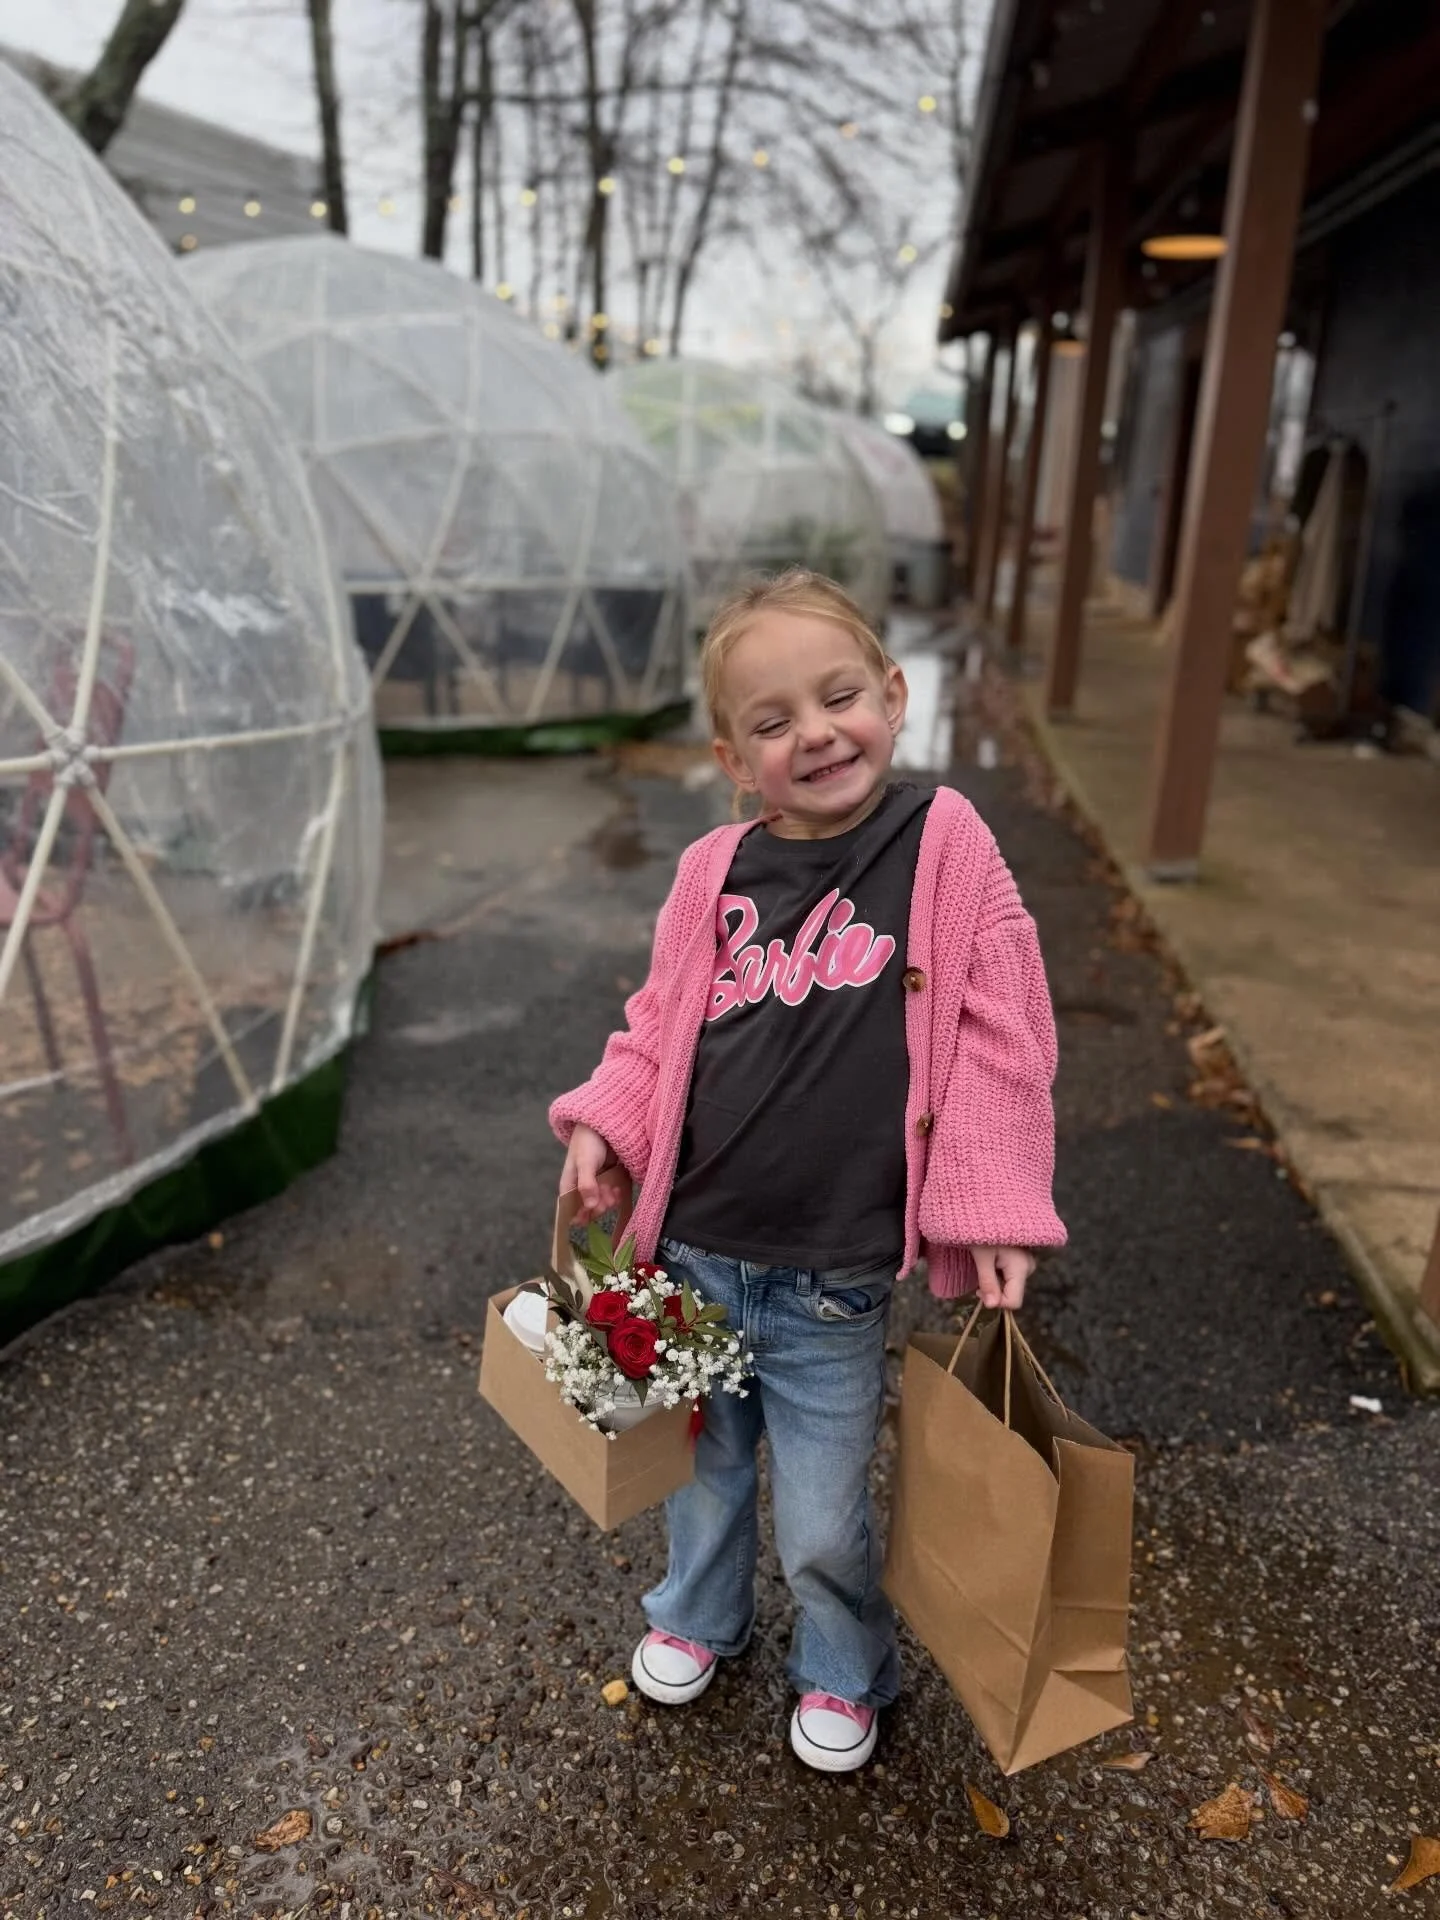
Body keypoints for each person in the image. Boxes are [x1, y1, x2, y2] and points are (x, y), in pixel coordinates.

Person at [549, 568, 1065, 1773]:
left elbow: (1000, 1028)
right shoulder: (710, 873)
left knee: (825, 1510)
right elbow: (660, 1021)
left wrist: (993, 1204)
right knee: (705, 1468)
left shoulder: (943, 842)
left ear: (893, 693)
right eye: (773, 723)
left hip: (832, 1272)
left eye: (840, 698)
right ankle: (698, 1613)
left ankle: (841, 1665)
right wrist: (608, 1126)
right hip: (696, 1251)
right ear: (734, 757)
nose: (817, 734)